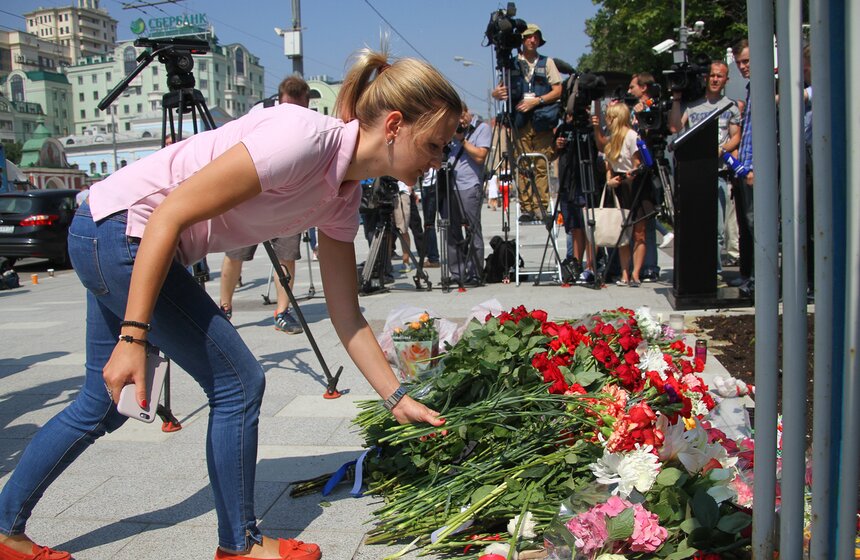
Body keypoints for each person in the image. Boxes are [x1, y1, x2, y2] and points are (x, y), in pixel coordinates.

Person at [0, 49, 458, 560]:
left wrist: (396, 398)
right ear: (394, 125)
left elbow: (346, 314)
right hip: (123, 232)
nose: (439, 159)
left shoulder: (343, 195)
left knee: (101, 403)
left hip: (111, 231)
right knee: (238, 382)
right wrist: (133, 336)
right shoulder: (301, 138)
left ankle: (5, 531)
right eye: (434, 144)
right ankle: (240, 545)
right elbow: (168, 214)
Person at [218, 76, 312, 334]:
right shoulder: (259, 112)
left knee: (286, 255)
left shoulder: (309, 120)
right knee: (235, 254)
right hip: (252, 194)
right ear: (281, 100)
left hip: (289, 198)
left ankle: (282, 311)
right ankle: (224, 309)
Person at [668, 60, 742, 275]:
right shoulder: (692, 106)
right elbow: (674, 127)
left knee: (717, 228)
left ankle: (714, 272)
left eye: (720, 76)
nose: (715, 79)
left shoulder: (730, 106)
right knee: (695, 226)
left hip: (717, 172)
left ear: (726, 80)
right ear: (706, 77)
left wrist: (721, 150)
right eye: (712, 75)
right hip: (694, 173)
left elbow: (736, 136)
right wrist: (676, 99)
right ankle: (696, 271)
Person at [491, 23, 562, 223]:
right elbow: (500, 90)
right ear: (521, 40)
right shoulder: (511, 64)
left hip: (542, 120)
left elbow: (558, 91)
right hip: (520, 122)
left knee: (541, 163)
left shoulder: (547, 63)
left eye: (536, 37)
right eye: (529, 36)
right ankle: (526, 207)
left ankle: (541, 207)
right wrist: (496, 94)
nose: (532, 40)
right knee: (522, 164)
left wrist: (537, 101)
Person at [441, 105, 491, 285]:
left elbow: (480, 156)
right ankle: (458, 273)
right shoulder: (451, 131)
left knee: (472, 230)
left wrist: (462, 139)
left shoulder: (482, 128)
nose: (460, 121)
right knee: (451, 231)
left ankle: (475, 272)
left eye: (461, 116)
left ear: (467, 111)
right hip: (449, 186)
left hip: (470, 186)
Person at [604, 102, 646, 287]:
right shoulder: (611, 139)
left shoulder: (631, 136)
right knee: (622, 234)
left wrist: (631, 174)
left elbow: (637, 163)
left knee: (639, 233)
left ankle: (636, 273)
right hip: (619, 185)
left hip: (634, 184)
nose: (607, 121)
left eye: (609, 117)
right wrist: (609, 181)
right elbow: (608, 167)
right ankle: (624, 273)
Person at [731, 39, 755, 295]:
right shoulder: (750, 89)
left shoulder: (768, 86)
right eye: (739, 62)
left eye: (746, 61)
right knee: (746, 224)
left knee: (756, 224)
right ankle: (749, 275)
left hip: (755, 170)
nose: (742, 66)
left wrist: (754, 167)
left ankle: (759, 279)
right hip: (745, 167)